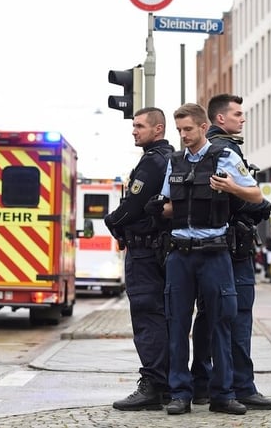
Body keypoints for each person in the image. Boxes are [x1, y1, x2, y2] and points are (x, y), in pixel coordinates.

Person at [147, 102, 263, 416]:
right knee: (177, 324)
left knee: (221, 324)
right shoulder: (174, 162)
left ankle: (223, 395)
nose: (183, 135)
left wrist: (231, 187)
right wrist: (157, 208)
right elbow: (170, 205)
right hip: (180, 256)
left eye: (188, 129)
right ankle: (180, 394)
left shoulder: (224, 156)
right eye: (179, 130)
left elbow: (257, 196)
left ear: (202, 127)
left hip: (215, 254)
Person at [188, 93, 271, 412]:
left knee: (209, 317)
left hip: (210, 249)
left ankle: (203, 384)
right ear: (220, 119)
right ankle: (242, 386)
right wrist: (261, 205)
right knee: (237, 317)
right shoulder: (225, 149)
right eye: (238, 114)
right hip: (233, 249)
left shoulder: (204, 148)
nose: (243, 118)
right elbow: (236, 197)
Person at [104, 107, 174, 411]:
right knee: (164, 317)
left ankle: (153, 386)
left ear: (157, 129)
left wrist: (111, 221)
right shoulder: (167, 158)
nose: (134, 130)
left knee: (148, 317)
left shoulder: (152, 162)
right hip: (159, 250)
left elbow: (132, 206)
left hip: (145, 252)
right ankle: (169, 383)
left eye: (139, 126)